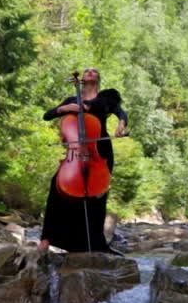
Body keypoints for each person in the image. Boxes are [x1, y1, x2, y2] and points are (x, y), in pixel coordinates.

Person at [38, 67, 127, 253]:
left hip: (99, 152)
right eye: (87, 71)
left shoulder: (105, 99)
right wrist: (63, 109)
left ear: (98, 78)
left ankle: (95, 244)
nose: (91, 72)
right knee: (57, 187)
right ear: (82, 79)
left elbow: (121, 113)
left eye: (94, 71)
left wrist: (121, 125)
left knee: (96, 196)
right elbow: (47, 115)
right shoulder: (72, 101)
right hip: (75, 154)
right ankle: (46, 240)